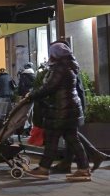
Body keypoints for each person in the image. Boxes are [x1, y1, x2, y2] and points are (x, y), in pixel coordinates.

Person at [24, 41, 91, 182]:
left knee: (52, 139)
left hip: (61, 110)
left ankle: (44, 169)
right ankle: (83, 169)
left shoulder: (60, 68)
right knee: (72, 139)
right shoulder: (69, 66)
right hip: (69, 109)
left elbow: (49, 87)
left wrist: (31, 95)